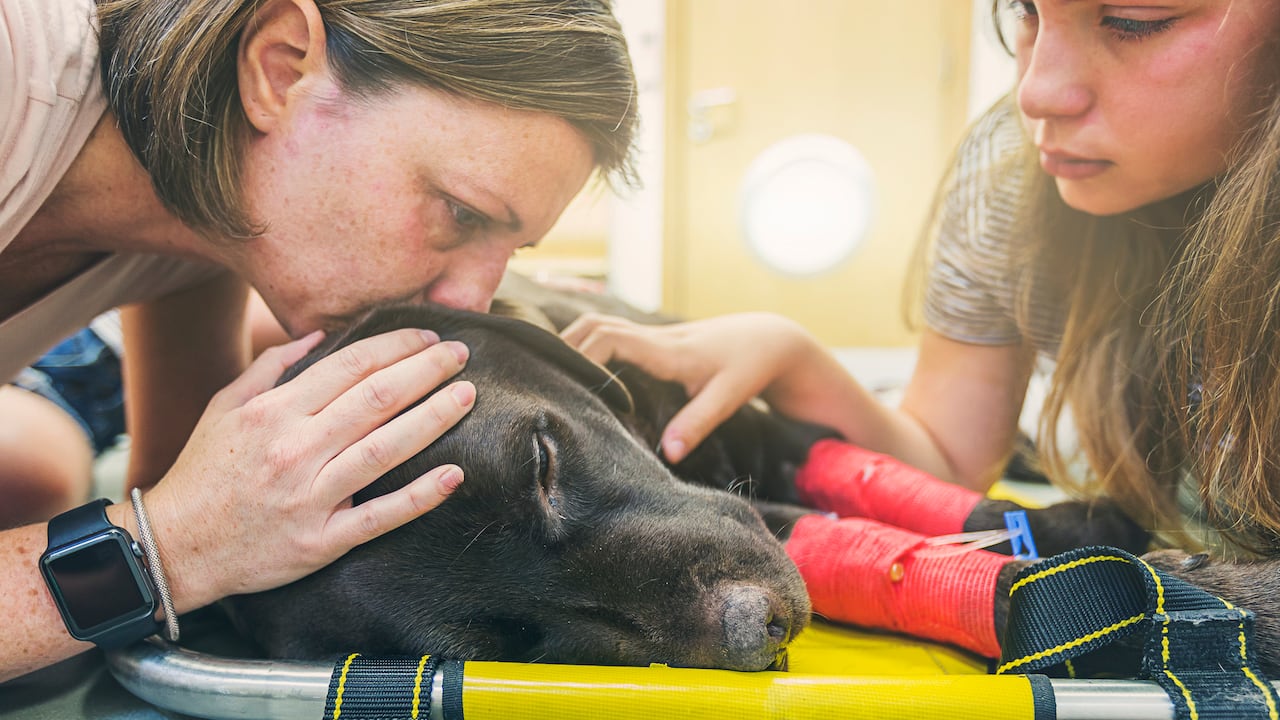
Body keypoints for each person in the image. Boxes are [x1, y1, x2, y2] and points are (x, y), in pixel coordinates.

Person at [1, 0, 636, 682]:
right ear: (280, 68)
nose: (472, 301)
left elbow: (175, 484)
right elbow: (178, 529)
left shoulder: (210, 235)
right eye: (460, 212)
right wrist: (172, 549)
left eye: (512, 248)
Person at [564, 0, 1280, 555]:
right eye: (1023, 11)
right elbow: (947, 466)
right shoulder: (1012, 174)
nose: (1038, 93)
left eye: (1132, 21)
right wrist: (788, 353)